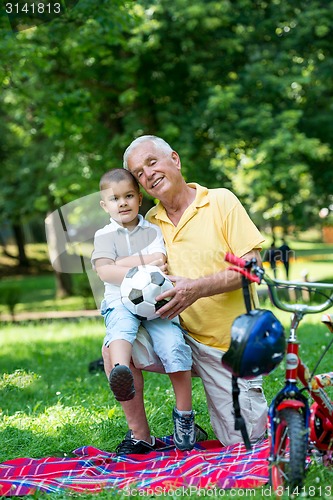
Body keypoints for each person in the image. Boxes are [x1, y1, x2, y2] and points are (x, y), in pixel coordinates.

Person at [102, 136, 268, 454]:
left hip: (227, 347)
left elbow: (252, 268)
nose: (147, 174)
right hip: (173, 335)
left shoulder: (220, 201)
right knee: (113, 347)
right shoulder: (148, 222)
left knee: (247, 443)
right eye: (138, 172)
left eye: (152, 162)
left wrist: (196, 288)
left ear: (174, 160)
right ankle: (140, 436)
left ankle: (224, 413)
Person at [92, 168, 196, 451]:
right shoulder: (103, 235)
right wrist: (142, 261)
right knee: (120, 330)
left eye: (128, 196)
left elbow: (159, 262)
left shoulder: (152, 229)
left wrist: (121, 263)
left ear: (139, 198)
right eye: (114, 199)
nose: (122, 203)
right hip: (120, 302)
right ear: (105, 205)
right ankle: (121, 373)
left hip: (156, 301)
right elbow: (104, 272)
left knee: (173, 344)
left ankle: (185, 417)